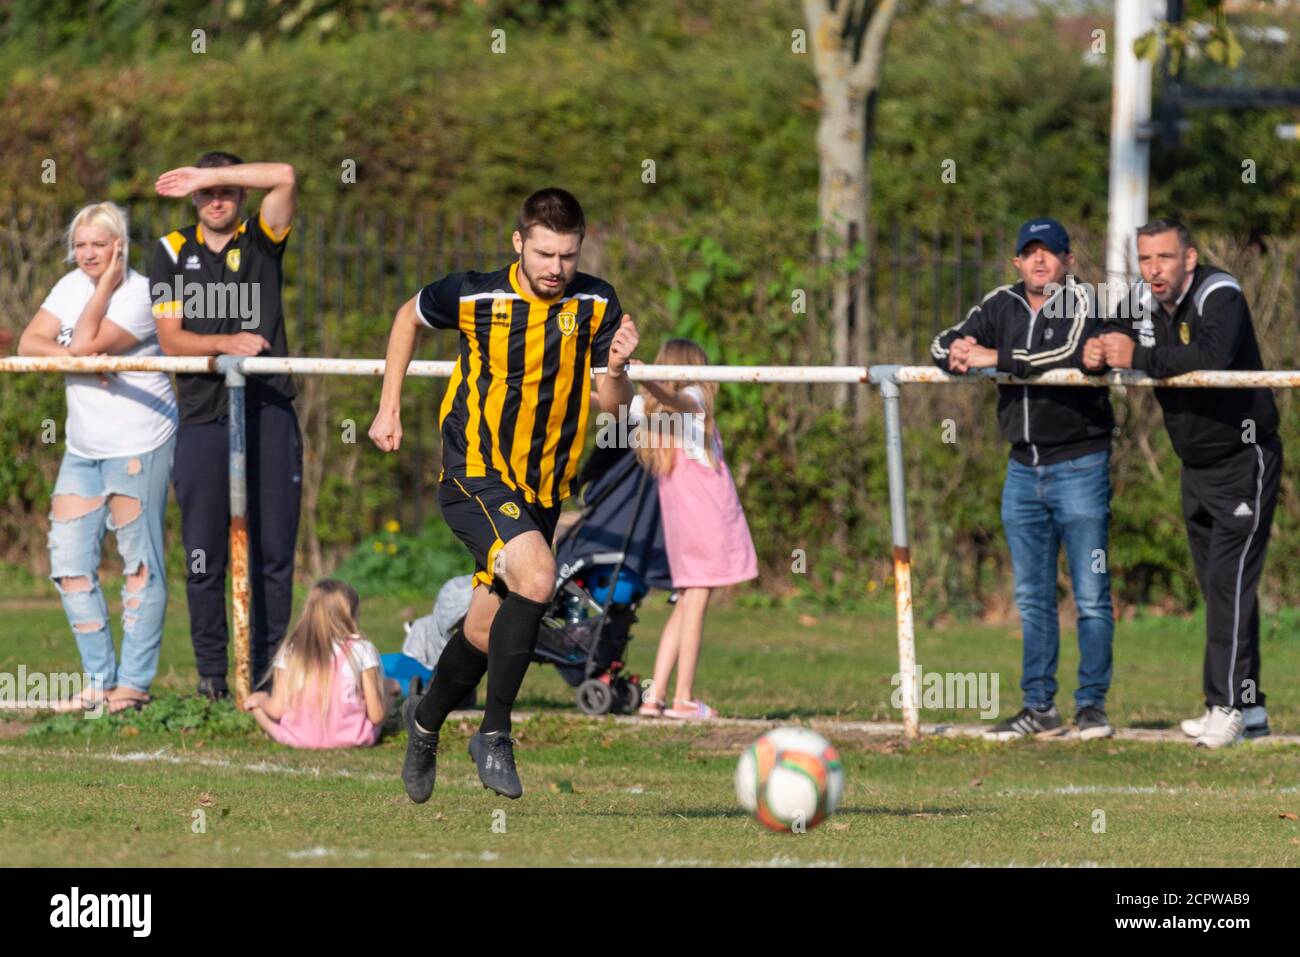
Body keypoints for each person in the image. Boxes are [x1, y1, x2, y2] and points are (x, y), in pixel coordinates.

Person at [368, 187, 639, 800]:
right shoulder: (475, 294)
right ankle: (494, 734)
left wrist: (619, 369)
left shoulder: (596, 303)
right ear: (519, 243)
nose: (555, 268)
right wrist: (389, 408)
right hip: (475, 472)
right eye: (544, 253)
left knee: (488, 630)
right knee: (539, 580)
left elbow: (609, 405)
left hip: (541, 490)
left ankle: (426, 721)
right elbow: (406, 317)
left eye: (567, 256)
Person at [1088, 219, 1280, 748]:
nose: (1154, 270)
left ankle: (1225, 708)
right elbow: (1103, 334)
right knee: (1221, 587)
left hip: (1245, 458)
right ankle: (1252, 705)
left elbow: (1211, 357)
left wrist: (1139, 358)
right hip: (1193, 467)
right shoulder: (1143, 300)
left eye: (1165, 258)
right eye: (1145, 259)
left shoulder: (1221, 293)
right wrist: (1097, 352)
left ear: (1189, 258)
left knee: (1227, 585)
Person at [930, 217, 1116, 741]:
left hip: (1080, 465)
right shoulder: (999, 304)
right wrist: (960, 353)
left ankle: (1092, 708)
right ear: (1017, 261)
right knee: (1032, 598)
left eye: (1050, 252)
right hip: (1021, 471)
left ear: (1068, 261)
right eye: (1030, 252)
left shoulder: (1084, 302)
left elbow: (1068, 355)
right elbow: (941, 342)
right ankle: (1038, 706)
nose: (1040, 261)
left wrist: (998, 358)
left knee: (1091, 595)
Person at [148, 152, 301, 699]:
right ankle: (213, 679)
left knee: (274, 553)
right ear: (192, 200)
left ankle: (265, 677)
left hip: (268, 411)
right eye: (208, 192)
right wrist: (224, 346)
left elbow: (284, 176)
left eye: (229, 190)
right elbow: (170, 339)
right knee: (203, 555)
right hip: (203, 417)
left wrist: (211, 173)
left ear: (238, 195)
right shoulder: (169, 251)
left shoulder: (260, 239)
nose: (218, 200)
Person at [17, 201, 179, 715]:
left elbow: (86, 339)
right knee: (67, 564)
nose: (87, 254)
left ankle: (131, 686)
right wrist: (79, 363)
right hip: (82, 448)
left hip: (139, 441)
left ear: (120, 246)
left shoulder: (140, 292)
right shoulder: (67, 287)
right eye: (80, 245)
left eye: (98, 245)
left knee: (139, 566)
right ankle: (97, 680)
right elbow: (29, 342)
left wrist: (104, 291)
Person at [629, 340, 757, 720]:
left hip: (681, 524)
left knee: (684, 603)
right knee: (695, 603)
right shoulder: (692, 396)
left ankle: (655, 695)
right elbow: (679, 402)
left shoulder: (652, 407)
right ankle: (684, 697)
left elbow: (662, 402)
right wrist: (640, 380)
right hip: (705, 521)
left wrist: (644, 382)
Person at [243, 579, 400, 749]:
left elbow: (276, 710)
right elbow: (376, 716)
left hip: (298, 739)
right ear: (352, 615)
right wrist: (389, 692)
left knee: (255, 706)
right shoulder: (362, 649)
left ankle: (276, 729)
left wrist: (261, 700)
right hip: (356, 737)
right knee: (391, 686)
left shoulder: (291, 650)